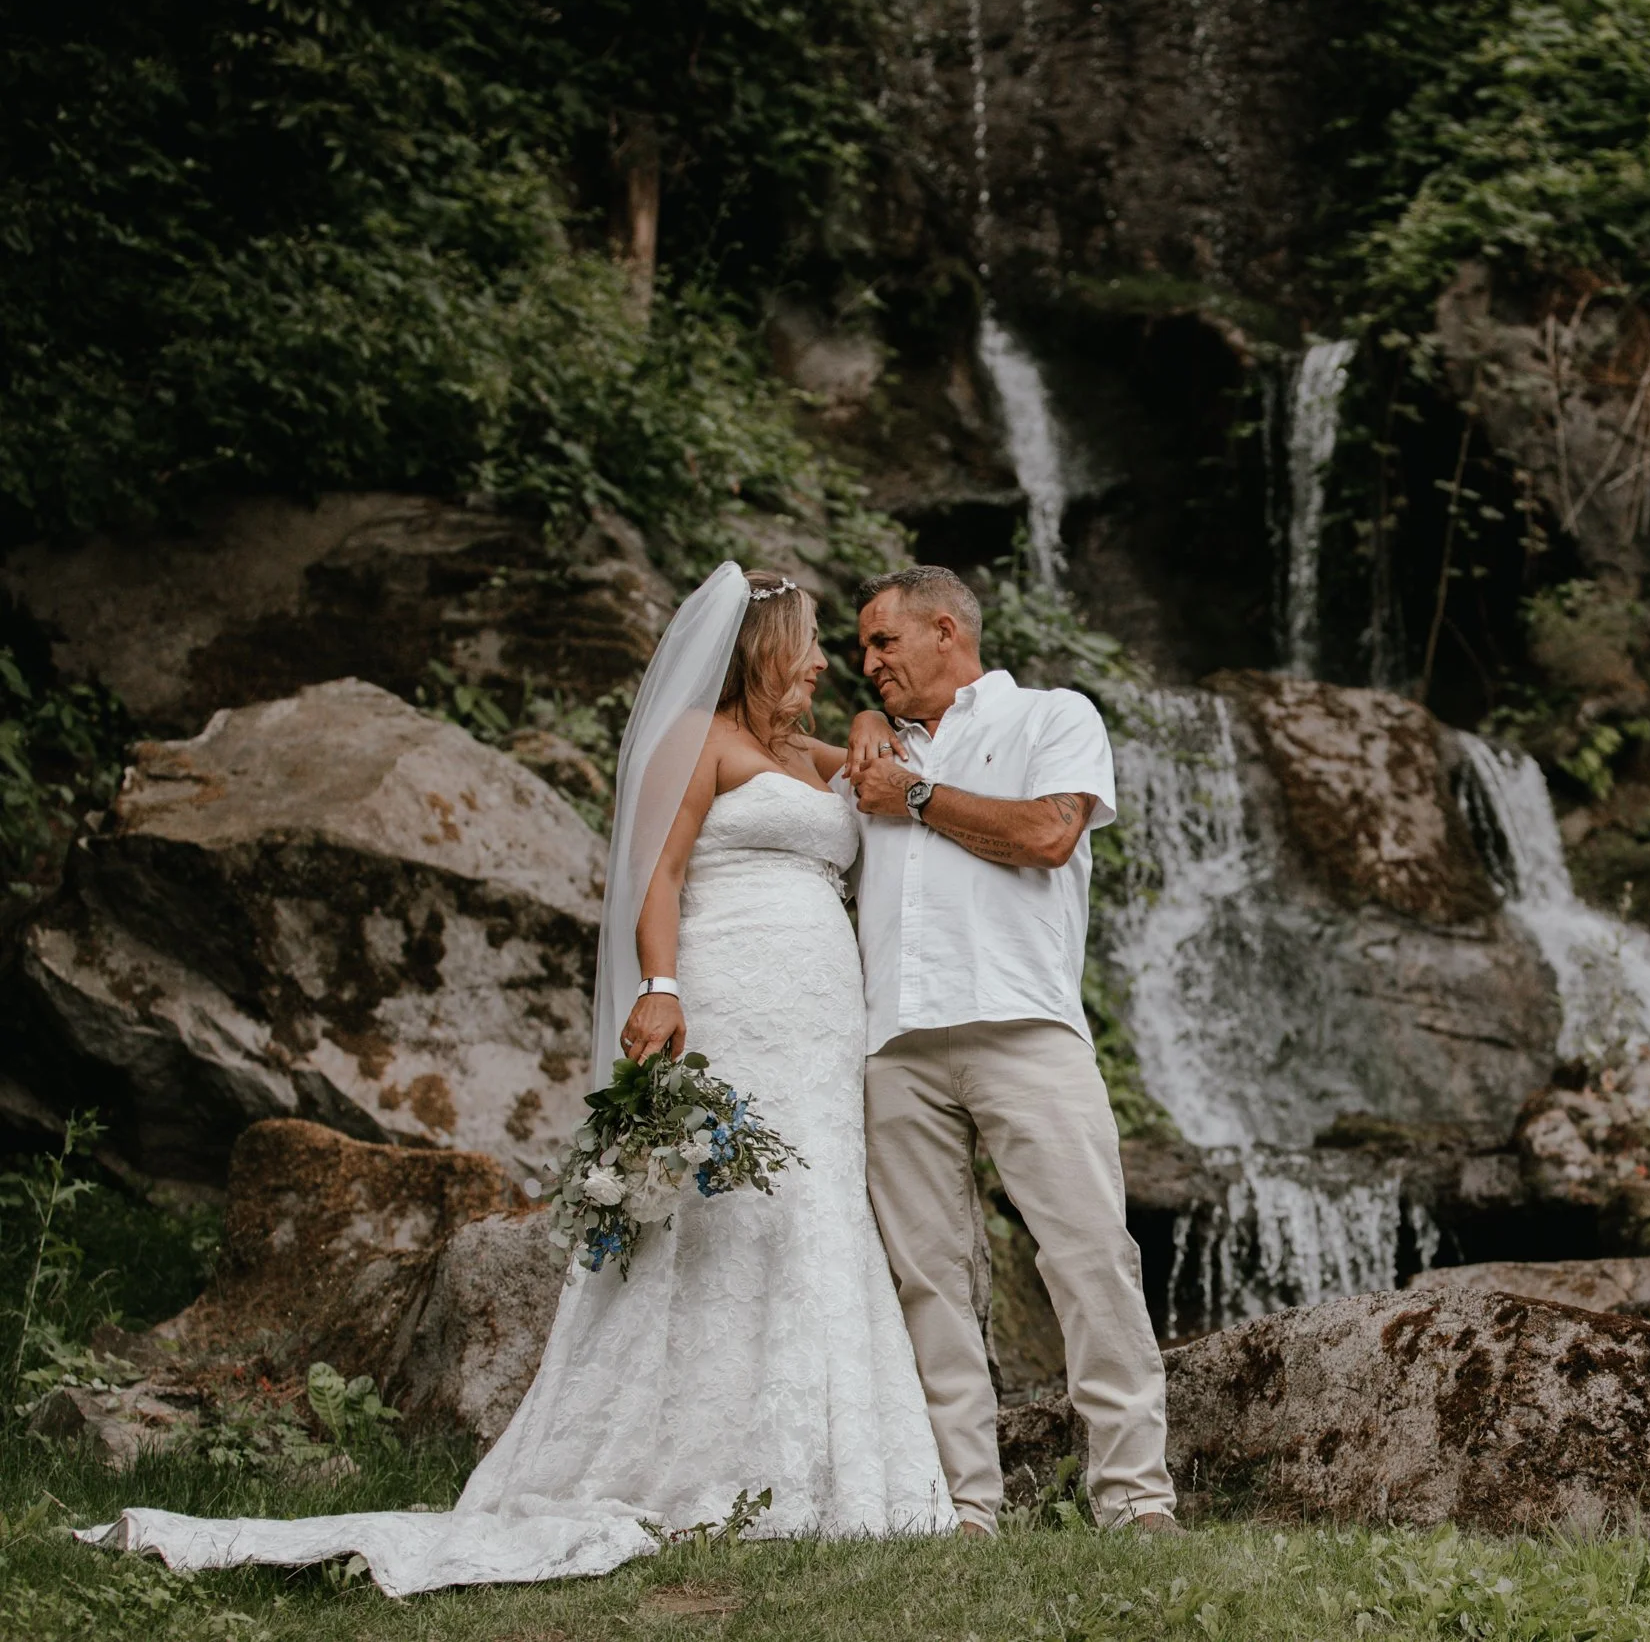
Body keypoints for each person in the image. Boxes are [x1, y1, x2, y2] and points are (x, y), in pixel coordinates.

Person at [78, 566, 952, 1596]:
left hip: (819, 1013)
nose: (824, 660)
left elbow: (880, 764)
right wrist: (662, 985)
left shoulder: (810, 751)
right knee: (724, 1206)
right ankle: (686, 1451)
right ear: (762, 648)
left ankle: (818, 1446)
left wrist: (860, 717)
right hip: (731, 992)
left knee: (812, 1205)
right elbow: (656, 874)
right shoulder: (699, 738)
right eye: (809, 643)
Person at [842, 564, 1179, 1538]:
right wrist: (871, 741)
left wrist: (913, 793)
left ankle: (1136, 1499)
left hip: (1025, 1029)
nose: (868, 664)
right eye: (862, 650)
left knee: (1088, 1258)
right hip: (894, 1045)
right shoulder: (879, 748)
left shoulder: (1052, 715)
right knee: (930, 1278)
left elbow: (1045, 832)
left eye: (882, 643)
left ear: (945, 629)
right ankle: (962, 1505)